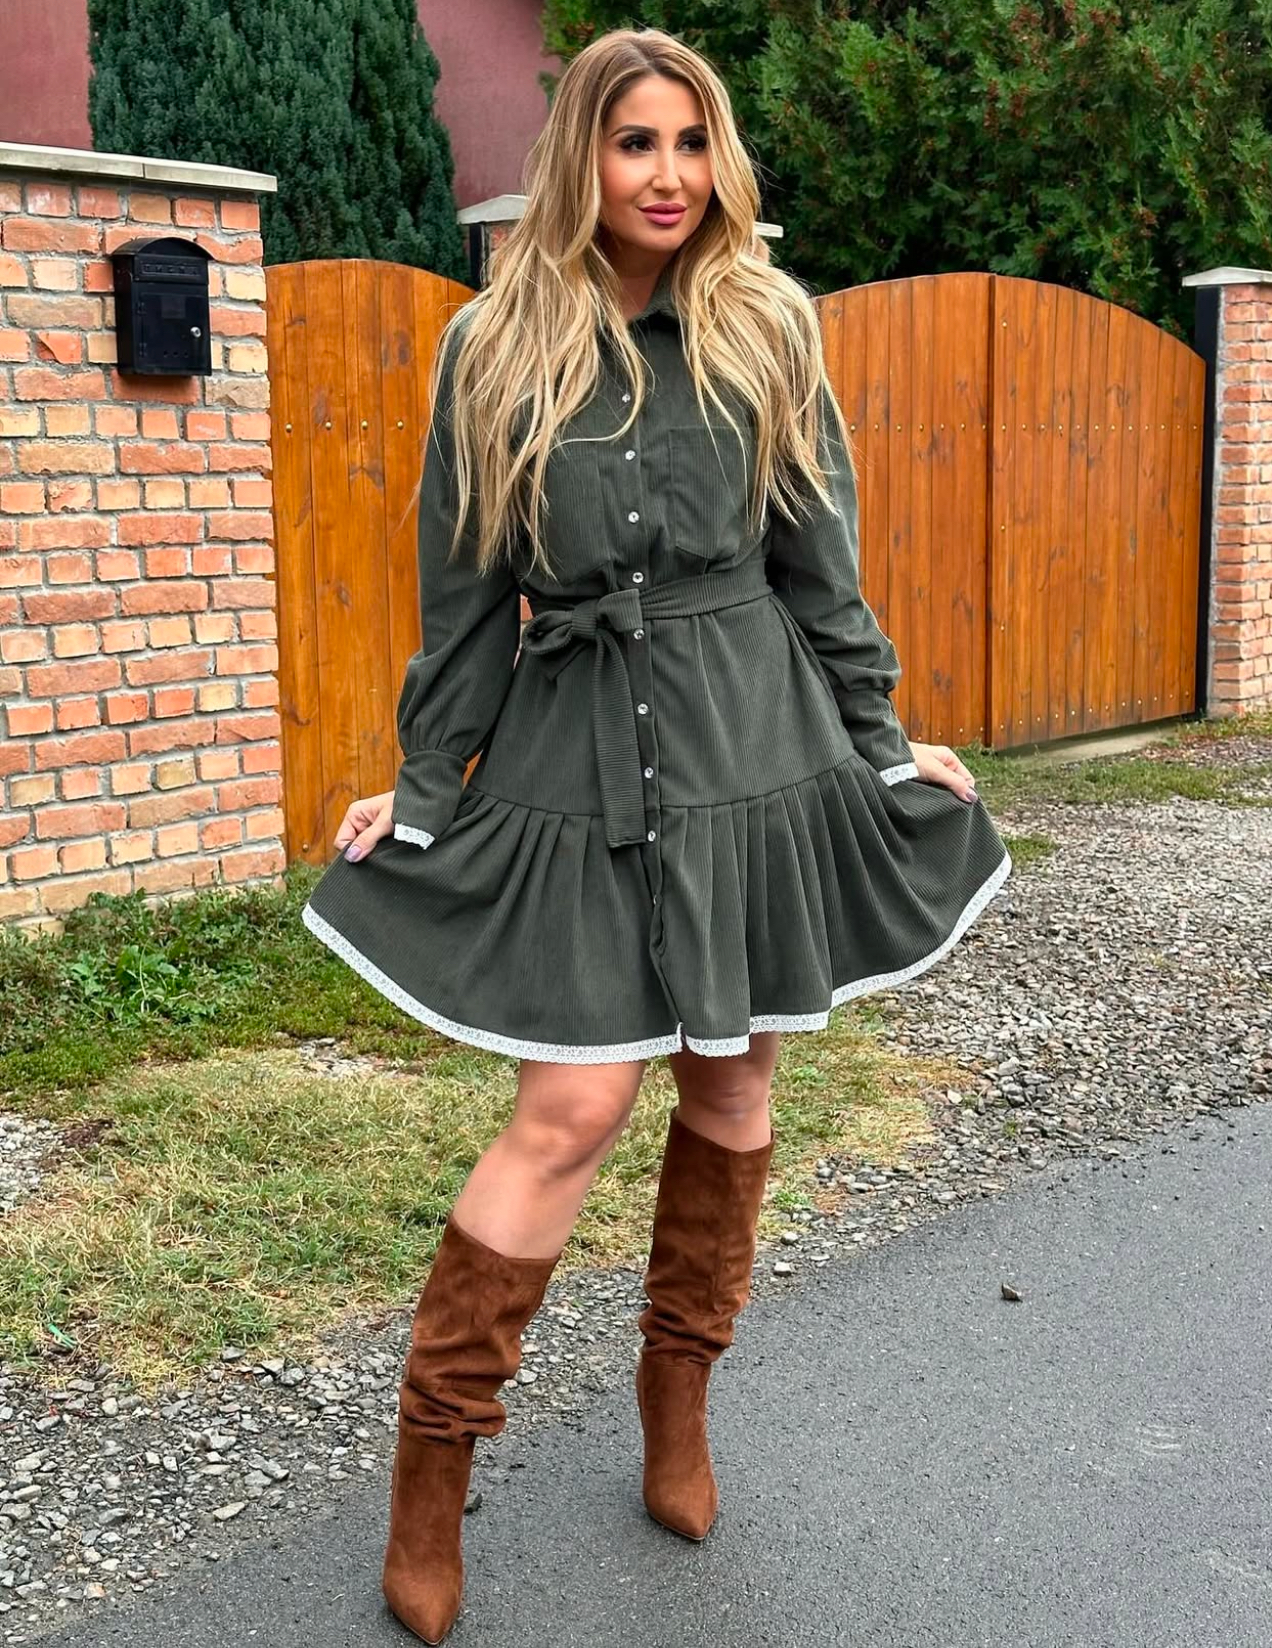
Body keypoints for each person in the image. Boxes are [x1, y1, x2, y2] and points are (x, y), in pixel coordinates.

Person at [300, 25, 1012, 1645]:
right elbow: (466, 599)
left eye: (692, 143)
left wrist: (883, 745)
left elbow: (820, 566)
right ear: (585, 160)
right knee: (571, 1105)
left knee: (736, 1082)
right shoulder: (495, 347)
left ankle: (677, 1408)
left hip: (754, 741)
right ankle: (432, 1472)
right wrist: (425, 788)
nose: (669, 175)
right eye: (636, 142)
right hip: (572, 746)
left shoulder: (769, 326)